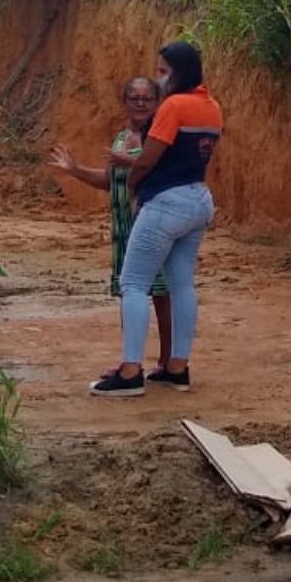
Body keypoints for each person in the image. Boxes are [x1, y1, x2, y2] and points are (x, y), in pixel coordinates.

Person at [90, 41, 222, 397]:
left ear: (177, 72)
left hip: (166, 202)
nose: (159, 78)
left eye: (163, 71)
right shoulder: (211, 108)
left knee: (133, 282)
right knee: (181, 284)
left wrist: (133, 187)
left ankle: (131, 370)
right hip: (198, 199)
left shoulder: (174, 106)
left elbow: (148, 159)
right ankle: (177, 367)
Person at [47, 77, 175, 382]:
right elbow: (109, 180)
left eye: (147, 98)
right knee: (129, 293)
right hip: (122, 228)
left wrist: (127, 161)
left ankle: (168, 360)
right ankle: (131, 359)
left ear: (157, 103)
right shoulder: (121, 137)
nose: (140, 103)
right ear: (125, 101)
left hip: (149, 224)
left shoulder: (157, 137)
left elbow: (153, 166)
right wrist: (75, 170)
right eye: (134, 98)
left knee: (160, 292)